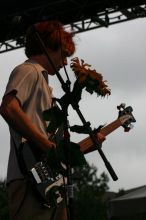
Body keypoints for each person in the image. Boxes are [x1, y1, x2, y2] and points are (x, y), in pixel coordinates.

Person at [0, 20, 105, 220]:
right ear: (48, 47)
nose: (66, 62)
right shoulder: (29, 70)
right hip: (30, 179)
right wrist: (48, 148)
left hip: (45, 181)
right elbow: (8, 108)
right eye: (64, 55)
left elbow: (51, 147)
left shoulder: (45, 85)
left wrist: (85, 146)